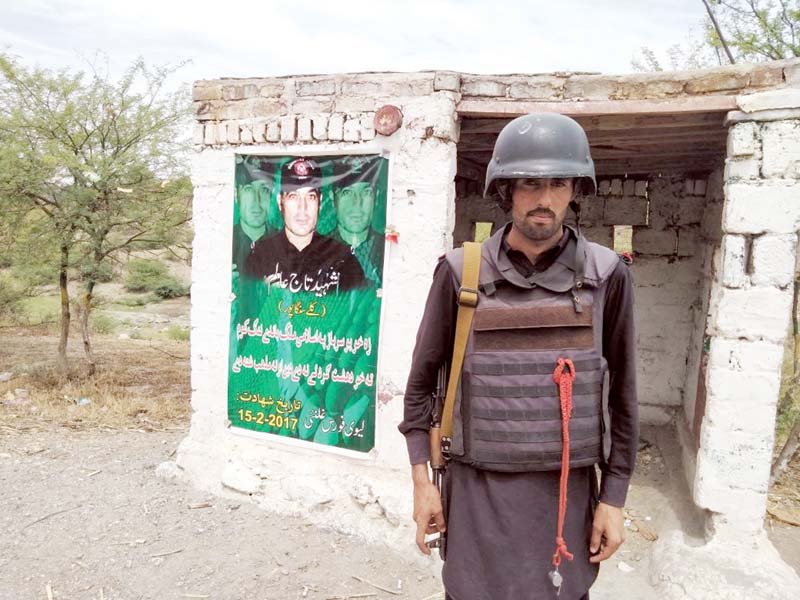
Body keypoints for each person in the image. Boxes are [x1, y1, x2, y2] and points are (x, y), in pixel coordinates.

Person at [399, 113, 638, 600]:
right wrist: (423, 483)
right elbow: (420, 388)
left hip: (564, 499)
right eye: (529, 183)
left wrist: (614, 497)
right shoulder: (460, 273)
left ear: (576, 190)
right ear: (506, 190)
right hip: (475, 495)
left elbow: (625, 400)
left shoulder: (607, 275)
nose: (544, 199)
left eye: (559, 183)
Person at [244, 157, 367, 295]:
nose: (302, 208)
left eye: (310, 197)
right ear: (280, 202)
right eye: (293, 197)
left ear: (319, 203)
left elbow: (357, 312)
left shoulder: (343, 260)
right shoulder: (260, 257)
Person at [331, 157, 385, 286]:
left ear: (376, 197)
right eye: (347, 192)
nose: (357, 203)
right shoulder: (318, 251)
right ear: (333, 199)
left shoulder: (388, 250)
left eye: (366, 192)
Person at [232, 159, 272, 274]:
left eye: (264, 190)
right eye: (248, 189)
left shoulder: (284, 245)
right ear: (236, 195)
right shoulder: (225, 243)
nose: (256, 202)